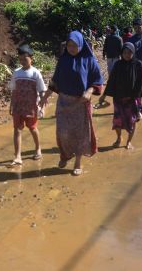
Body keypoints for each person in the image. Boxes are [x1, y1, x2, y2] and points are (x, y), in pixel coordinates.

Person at [40, 31, 104, 176]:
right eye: (69, 45)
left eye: (75, 45)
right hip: (63, 102)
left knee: (80, 135)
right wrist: (44, 98)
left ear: (81, 45)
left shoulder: (89, 60)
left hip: (80, 103)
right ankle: (66, 155)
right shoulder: (63, 60)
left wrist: (89, 91)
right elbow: (54, 81)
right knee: (63, 133)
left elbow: (98, 81)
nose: (71, 48)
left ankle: (78, 162)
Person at [97, 43, 142, 150]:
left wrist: (138, 99)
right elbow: (111, 81)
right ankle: (119, 138)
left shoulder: (138, 65)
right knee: (117, 121)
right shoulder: (118, 65)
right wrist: (104, 96)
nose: (127, 55)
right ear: (121, 53)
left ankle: (128, 142)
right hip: (119, 98)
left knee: (132, 121)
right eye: (124, 52)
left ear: (133, 53)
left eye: (129, 52)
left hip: (133, 99)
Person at [8, 44, 47, 166]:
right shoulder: (16, 73)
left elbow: (41, 90)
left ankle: (38, 149)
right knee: (17, 130)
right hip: (18, 107)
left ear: (31, 58)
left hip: (31, 107)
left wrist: (42, 106)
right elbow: (13, 90)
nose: (23, 62)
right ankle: (18, 156)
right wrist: (11, 104)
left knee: (33, 128)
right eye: (20, 59)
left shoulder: (35, 73)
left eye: (25, 59)